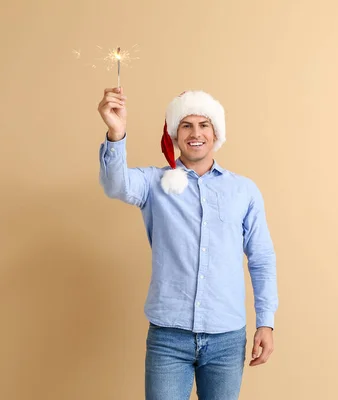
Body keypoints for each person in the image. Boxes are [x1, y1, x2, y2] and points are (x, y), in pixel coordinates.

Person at [97, 87, 278, 400]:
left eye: (204, 125)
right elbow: (115, 185)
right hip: (169, 336)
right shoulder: (154, 183)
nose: (196, 133)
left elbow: (261, 258)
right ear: (174, 134)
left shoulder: (243, 190)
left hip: (227, 337)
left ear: (215, 133)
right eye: (186, 125)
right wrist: (117, 133)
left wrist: (267, 323)